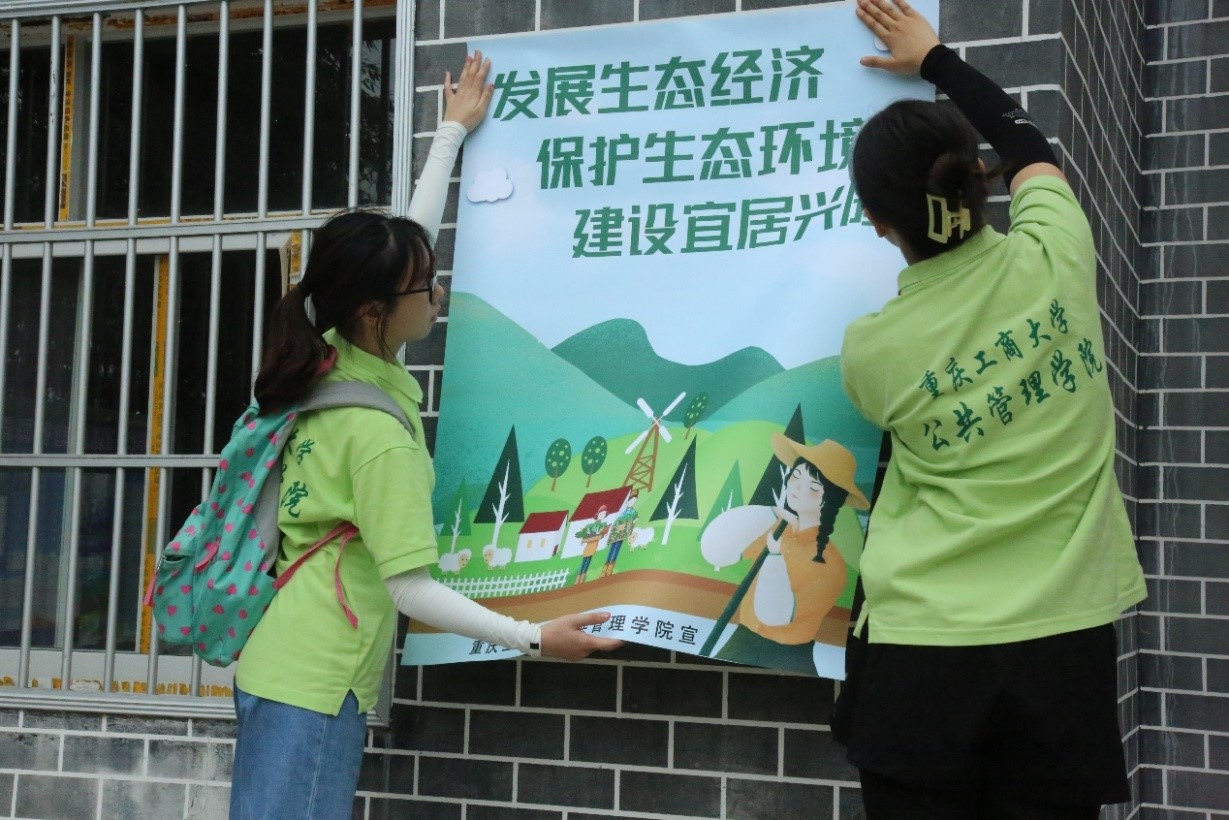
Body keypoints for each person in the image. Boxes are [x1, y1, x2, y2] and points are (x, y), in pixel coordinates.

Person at [229, 52, 623, 820]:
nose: (437, 293)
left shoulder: (335, 357)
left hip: (280, 662)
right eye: (426, 286)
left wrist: (450, 132)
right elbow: (410, 588)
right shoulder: (376, 434)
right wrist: (536, 637)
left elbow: (405, 245)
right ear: (376, 310)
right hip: (314, 685)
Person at [831, 2, 1148, 818]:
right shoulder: (1056, 253)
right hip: (1061, 646)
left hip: (921, 651)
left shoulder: (870, 351)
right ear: (981, 180)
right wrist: (936, 60)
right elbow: (1029, 146)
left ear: (876, 222)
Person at [714, 435, 867, 675]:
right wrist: (763, 515)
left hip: (787, 658)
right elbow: (723, 552)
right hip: (741, 641)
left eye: (813, 487)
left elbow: (778, 615)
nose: (797, 488)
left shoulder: (831, 563)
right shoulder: (777, 526)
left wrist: (775, 559)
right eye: (796, 476)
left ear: (831, 501)